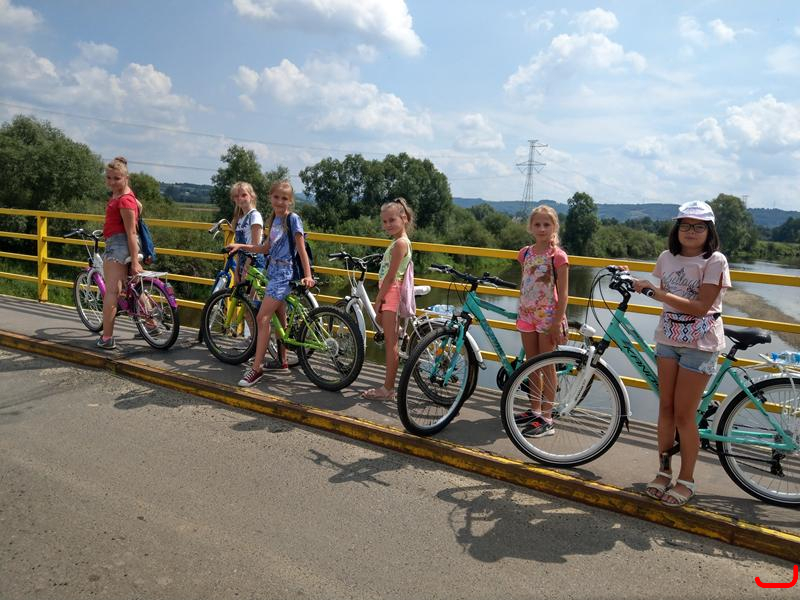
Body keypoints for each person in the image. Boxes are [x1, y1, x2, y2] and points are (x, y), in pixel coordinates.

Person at [632, 200, 730, 506]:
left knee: (685, 415)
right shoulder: (667, 257)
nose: (691, 231)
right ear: (677, 228)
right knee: (666, 408)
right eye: (685, 225)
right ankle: (664, 472)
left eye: (699, 226)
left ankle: (687, 480)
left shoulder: (715, 261)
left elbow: (701, 307)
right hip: (668, 337)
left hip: (700, 342)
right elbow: (668, 299)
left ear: (709, 231)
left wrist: (656, 292)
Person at [227, 180, 315, 387]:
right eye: (276, 197)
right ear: (270, 198)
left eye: (284, 198)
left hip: (284, 273)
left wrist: (308, 275)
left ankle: (256, 368)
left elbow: (301, 249)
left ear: (290, 201)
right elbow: (265, 248)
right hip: (272, 270)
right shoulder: (274, 218)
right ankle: (282, 360)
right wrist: (241, 245)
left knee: (262, 317)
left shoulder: (293, 219)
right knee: (279, 315)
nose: (280, 202)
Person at [513, 205, 570, 437]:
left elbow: (564, 294)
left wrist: (557, 322)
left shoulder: (558, 256)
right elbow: (526, 283)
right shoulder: (525, 253)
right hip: (527, 314)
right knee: (531, 364)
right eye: (537, 224)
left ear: (554, 226)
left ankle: (547, 417)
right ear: (530, 227)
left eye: (547, 224)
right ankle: (535, 409)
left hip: (548, 316)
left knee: (547, 365)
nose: (542, 228)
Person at [360, 197, 414, 401]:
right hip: (390, 293)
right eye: (384, 221)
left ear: (404, 219)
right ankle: (401, 333)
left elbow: (391, 277)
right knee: (383, 325)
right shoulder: (398, 242)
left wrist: (378, 300)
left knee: (391, 344)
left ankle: (388, 389)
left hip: (391, 293)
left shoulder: (400, 243)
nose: (387, 225)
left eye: (392, 220)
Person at [97, 156, 143, 350]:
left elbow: (131, 232)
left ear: (126, 178)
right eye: (109, 178)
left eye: (117, 178)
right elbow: (139, 206)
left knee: (111, 292)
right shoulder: (123, 194)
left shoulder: (124, 200)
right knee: (134, 286)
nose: (112, 182)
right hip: (119, 242)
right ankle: (151, 325)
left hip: (119, 246)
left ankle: (107, 338)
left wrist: (135, 262)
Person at [229, 181, 265, 283]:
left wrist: (246, 268)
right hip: (243, 261)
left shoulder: (255, 216)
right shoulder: (240, 219)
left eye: (244, 195)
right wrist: (237, 270)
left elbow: (256, 245)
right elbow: (239, 248)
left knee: (252, 293)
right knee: (242, 292)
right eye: (236, 196)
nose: (240, 198)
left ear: (252, 196)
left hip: (254, 262)